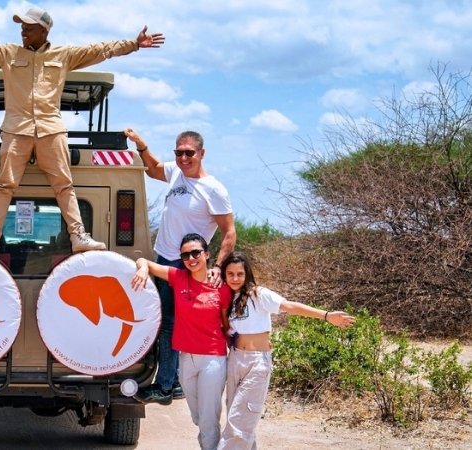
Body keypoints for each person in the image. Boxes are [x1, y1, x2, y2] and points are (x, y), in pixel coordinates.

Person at [0, 6, 165, 255]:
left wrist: (134, 44)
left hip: (51, 130)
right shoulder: (7, 53)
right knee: (5, 185)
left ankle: (78, 236)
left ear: (44, 30)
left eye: (29, 27)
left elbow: (101, 50)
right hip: (16, 129)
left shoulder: (64, 54)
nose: (23, 31)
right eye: (22, 26)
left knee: (64, 185)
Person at [124, 128, 237, 404]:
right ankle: (173, 382)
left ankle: (164, 386)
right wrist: (141, 145)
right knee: (169, 321)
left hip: (186, 262)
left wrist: (217, 266)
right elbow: (151, 169)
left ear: (202, 153)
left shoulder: (214, 189)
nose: (183, 157)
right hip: (164, 256)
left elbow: (230, 232)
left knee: (168, 323)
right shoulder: (176, 171)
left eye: (189, 152)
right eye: (179, 152)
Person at [217, 251, 355, 450]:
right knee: (238, 417)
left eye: (240, 273)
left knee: (240, 419)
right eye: (230, 274)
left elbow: (289, 306)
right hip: (236, 359)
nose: (235, 278)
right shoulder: (229, 299)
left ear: (247, 273)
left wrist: (326, 316)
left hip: (256, 363)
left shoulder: (259, 294)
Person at [131, 233, 232, 450]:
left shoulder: (220, 287)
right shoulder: (178, 277)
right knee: (198, 416)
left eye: (196, 252)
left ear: (207, 254)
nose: (191, 258)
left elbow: (227, 324)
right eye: (185, 255)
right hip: (186, 359)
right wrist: (142, 269)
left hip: (212, 360)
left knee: (207, 420)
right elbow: (143, 260)